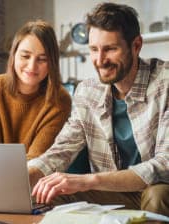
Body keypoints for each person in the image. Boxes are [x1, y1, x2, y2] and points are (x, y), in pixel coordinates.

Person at [28, 2, 169, 216]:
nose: (100, 60)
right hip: (115, 193)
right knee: (46, 193)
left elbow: (164, 164)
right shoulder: (87, 91)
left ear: (136, 45)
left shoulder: (165, 82)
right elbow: (61, 151)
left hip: (159, 188)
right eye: (94, 49)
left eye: (110, 49)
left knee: (157, 194)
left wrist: (88, 180)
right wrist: (20, 179)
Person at [0, 20, 71, 160]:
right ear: (13, 56)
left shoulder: (60, 99)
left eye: (42, 59)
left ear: (52, 63)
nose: (32, 66)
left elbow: (37, 159)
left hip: (33, 178)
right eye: (25, 56)